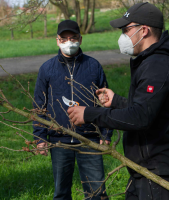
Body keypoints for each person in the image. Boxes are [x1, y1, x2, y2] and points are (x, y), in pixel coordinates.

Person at [68, 2, 169, 200]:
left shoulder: (157, 65)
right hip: (142, 167)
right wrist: (117, 101)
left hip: (156, 170)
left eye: (126, 30)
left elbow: (140, 117)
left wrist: (89, 114)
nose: (122, 36)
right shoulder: (148, 60)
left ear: (144, 30)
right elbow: (149, 108)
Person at [33, 20, 112, 200]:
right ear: (57, 40)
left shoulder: (93, 66)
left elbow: (105, 101)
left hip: (89, 138)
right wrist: (39, 137)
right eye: (65, 38)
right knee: (61, 193)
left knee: (97, 193)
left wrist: (106, 134)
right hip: (59, 138)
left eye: (73, 38)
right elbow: (39, 104)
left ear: (80, 39)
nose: (69, 42)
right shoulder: (47, 69)